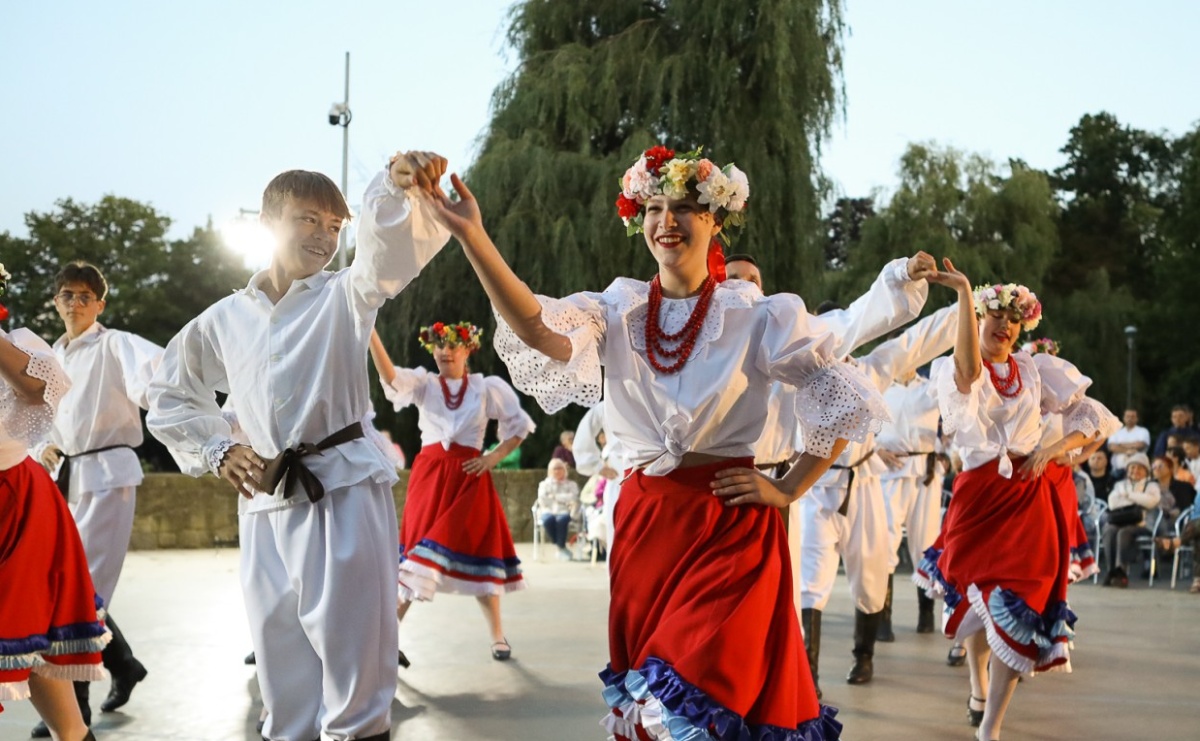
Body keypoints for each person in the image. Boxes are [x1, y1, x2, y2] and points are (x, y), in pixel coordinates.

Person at [421, 145, 933, 738]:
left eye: (685, 206)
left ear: (716, 218)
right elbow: (536, 326)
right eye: (654, 206)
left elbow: (843, 396)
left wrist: (789, 486)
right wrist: (472, 239)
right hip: (647, 527)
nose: (667, 221)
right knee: (659, 705)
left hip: (730, 523)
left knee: (700, 700)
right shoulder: (615, 310)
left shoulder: (758, 314)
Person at [147, 152, 452, 741]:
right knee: (279, 661)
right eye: (309, 219)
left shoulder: (346, 294)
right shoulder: (224, 319)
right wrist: (217, 450)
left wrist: (392, 186)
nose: (324, 236)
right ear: (268, 221)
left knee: (354, 658)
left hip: (340, 491)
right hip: (262, 501)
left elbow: (386, 257)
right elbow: (169, 393)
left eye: (335, 226)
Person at [915, 273, 1117, 741]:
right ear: (978, 319)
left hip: (1031, 499)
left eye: (1011, 319)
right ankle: (976, 684)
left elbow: (1092, 418)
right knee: (974, 603)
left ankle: (991, 727)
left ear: (1021, 326)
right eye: (994, 317)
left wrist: (1055, 448)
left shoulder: (1032, 368)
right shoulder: (956, 369)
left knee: (1021, 609)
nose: (1002, 326)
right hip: (980, 498)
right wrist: (965, 293)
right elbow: (969, 373)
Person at [794, 304, 957, 694]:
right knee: (811, 580)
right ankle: (809, 675)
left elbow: (914, 342)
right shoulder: (795, 373)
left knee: (869, 574)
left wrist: (962, 307)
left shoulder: (869, 370)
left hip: (864, 485)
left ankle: (863, 655)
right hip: (814, 489)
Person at [30, 261, 160, 736]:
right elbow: (37, 414)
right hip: (65, 474)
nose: (76, 303)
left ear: (100, 304)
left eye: (86, 296)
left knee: (82, 594)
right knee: (70, 584)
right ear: (56, 301)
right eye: (68, 295)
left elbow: (162, 377)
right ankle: (123, 664)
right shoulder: (49, 358)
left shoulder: (115, 344)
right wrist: (41, 442)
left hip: (108, 472)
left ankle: (75, 709)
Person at [369, 322, 533, 660]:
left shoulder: (485, 388)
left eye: (452, 345)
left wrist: (494, 457)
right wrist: (371, 331)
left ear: (468, 349)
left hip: (468, 477)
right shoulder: (425, 384)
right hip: (429, 478)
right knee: (416, 558)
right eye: (439, 346)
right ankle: (388, 641)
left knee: (480, 554)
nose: (445, 351)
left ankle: (498, 636)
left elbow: (518, 426)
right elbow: (390, 378)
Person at [0, 265, 108, 741]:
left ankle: (75, 735)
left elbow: (40, 390)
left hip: (14, 502)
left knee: (30, 637)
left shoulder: (20, 344)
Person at [876, 362, 947, 639]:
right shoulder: (879, 384)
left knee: (926, 542)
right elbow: (860, 422)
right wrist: (875, 449)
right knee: (886, 542)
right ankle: (881, 617)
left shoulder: (930, 386)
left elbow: (956, 411)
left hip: (924, 473)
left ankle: (926, 611)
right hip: (890, 471)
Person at [1101, 453, 1161, 587]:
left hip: (1143, 525)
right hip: (1120, 522)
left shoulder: (1152, 485)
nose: (1135, 471)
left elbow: (1151, 501)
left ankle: (1121, 570)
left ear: (1146, 470)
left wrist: (1128, 495)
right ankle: (1112, 571)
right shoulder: (1120, 484)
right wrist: (1139, 498)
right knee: (1109, 530)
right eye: (1132, 468)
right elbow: (1112, 503)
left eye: (1140, 468)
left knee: (1124, 533)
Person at [537, 458, 581, 560]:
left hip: (565, 510)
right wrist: (563, 498)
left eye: (560, 468)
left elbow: (574, 497)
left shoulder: (571, 484)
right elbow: (543, 499)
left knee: (562, 520)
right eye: (555, 468)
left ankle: (560, 547)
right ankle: (561, 546)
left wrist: (555, 497)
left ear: (564, 469)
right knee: (547, 520)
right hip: (547, 510)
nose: (557, 471)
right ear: (550, 470)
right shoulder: (544, 484)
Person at [1107, 408, 1150, 474]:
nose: (1130, 419)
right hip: (1117, 469)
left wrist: (1120, 445)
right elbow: (1112, 447)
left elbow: (1140, 445)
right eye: (1127, 416)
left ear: (1137, 418)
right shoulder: (1116, 431)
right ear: (1123, 417)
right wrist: (1127, 451)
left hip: (1137, 470)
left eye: (1132, 416)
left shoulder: (1143, 431)